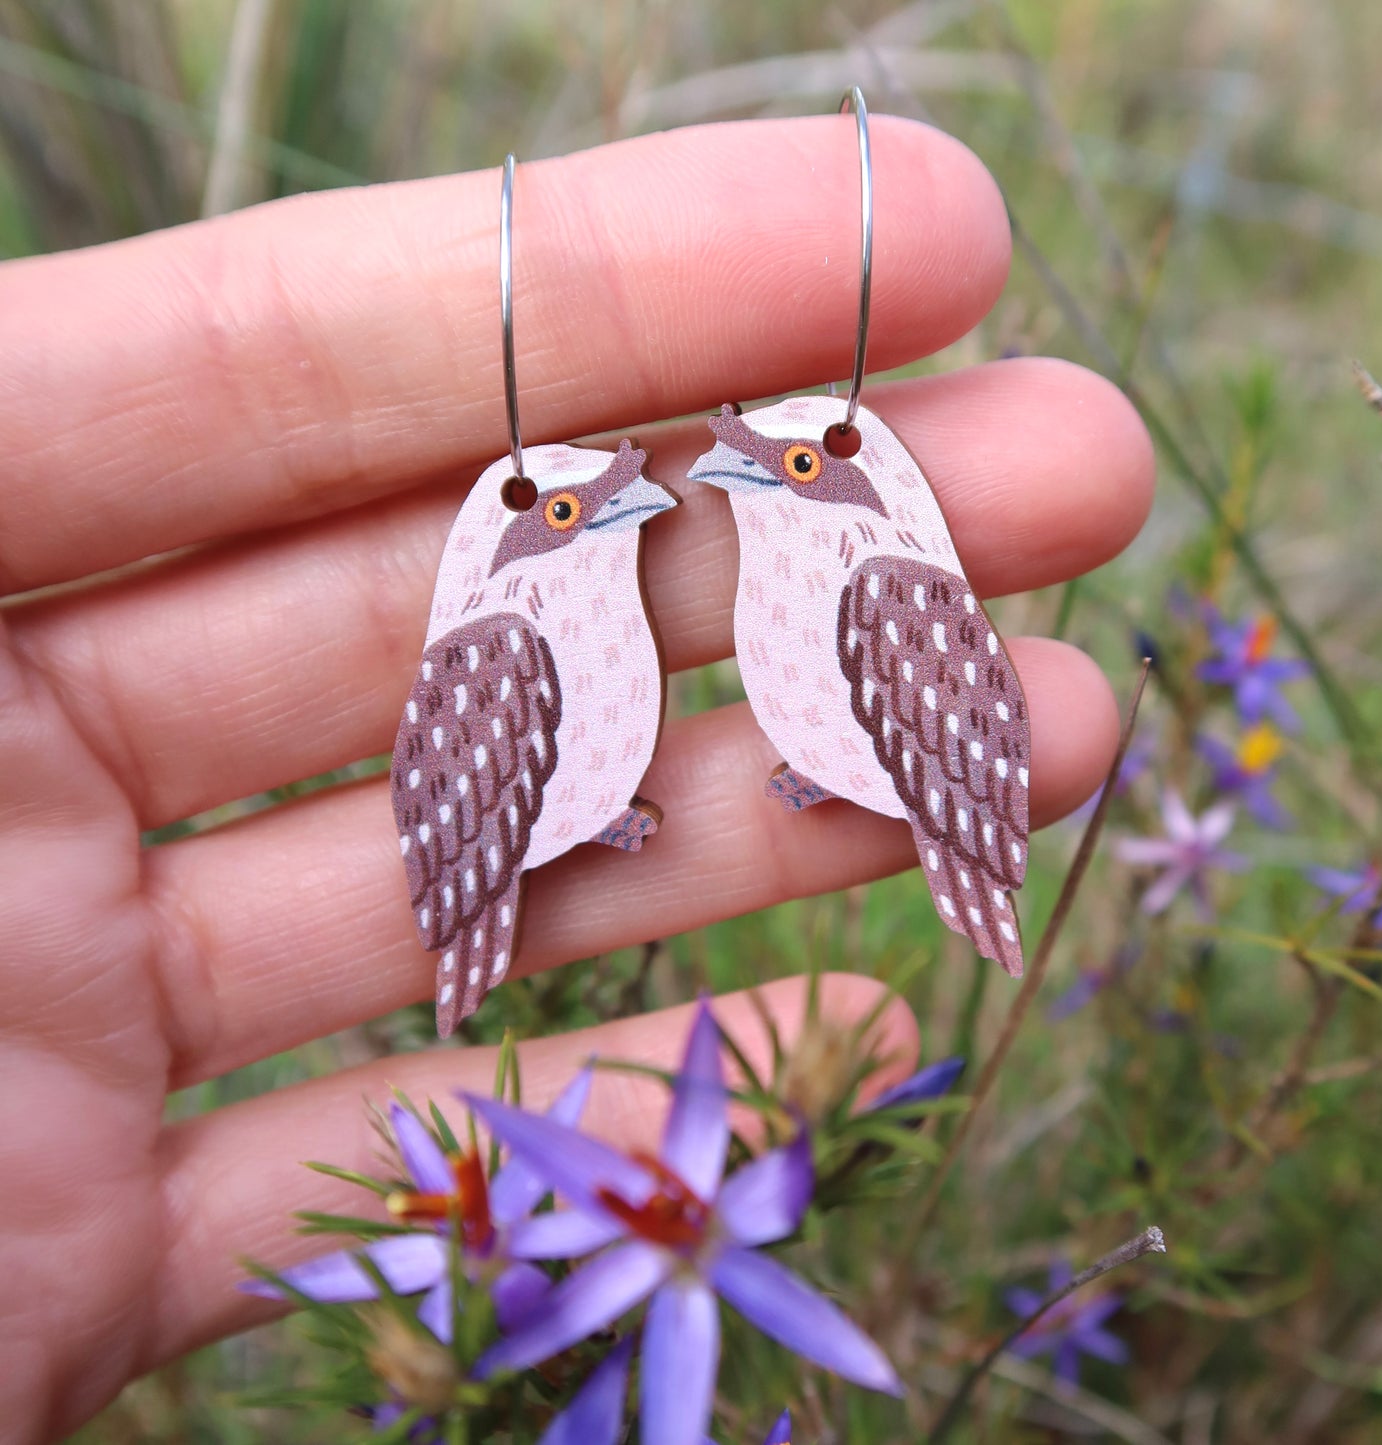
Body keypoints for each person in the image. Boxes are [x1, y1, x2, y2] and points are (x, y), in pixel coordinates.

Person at [0, 114, 1153, 1443]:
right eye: (569, 509)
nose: (658, 498)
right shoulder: (497, 637)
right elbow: (496, 787)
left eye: (769, 464)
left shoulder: (874, 575)